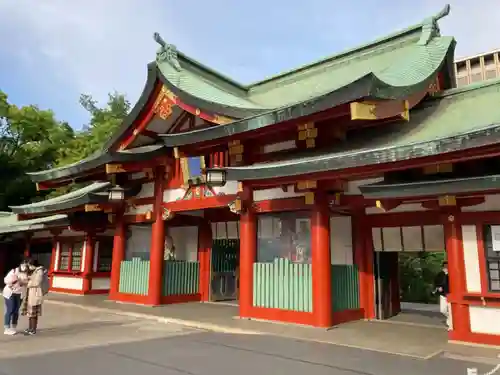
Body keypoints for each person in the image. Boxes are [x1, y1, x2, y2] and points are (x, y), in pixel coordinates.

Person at [3, 260, 29, 335]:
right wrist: (14, 280)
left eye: (26, 264)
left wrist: (24, 282)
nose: (25, 266)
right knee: (10, 309)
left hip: (20, 293)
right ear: (20, 264)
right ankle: (7, 328)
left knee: (16, 311)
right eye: (23, 264)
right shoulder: (14, 271)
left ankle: (13, 327)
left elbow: (28, 282)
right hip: (10, 292)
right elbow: (6, 280)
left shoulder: (28, 273)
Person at [20, 259, 45, 335]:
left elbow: (37, 282)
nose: (29, 266)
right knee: (30, 313)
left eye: (30, 265)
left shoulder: (39, 271)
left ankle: (33, 329)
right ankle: (30, 327)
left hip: (35, 294)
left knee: (34, 313)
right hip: (30, 293)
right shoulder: (34, 271)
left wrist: (28, 282)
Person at [434, 261, 450, 330]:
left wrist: (447, 274)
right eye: (444, 266)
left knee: (450, 310)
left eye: (447, 266)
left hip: (450, 294)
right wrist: (438, 287)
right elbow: (436, 282)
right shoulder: (440, 274)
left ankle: (450, 324)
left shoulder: (452, 274)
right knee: (442, 310)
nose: (445, 268)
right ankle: (450, 318)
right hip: (443, 294)